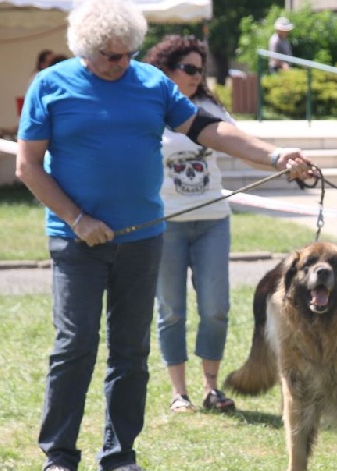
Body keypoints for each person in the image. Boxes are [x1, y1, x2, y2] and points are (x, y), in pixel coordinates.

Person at [16, 0, 312, 471]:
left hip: (142, 240)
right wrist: (78, 219)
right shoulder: (52, 85)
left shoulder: (152, 84)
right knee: (75, 346)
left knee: (131, 352)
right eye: (112, 56)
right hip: (76, 241)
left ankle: (119, 457)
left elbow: (207, 129)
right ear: (87, 51)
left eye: (129, 53)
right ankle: (58, 461)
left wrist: (275, 155)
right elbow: (29, 167)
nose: (122, 63)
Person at [144, 36, 242, 414]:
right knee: (171, 310)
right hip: (166, 223)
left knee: (215, 307)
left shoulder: (210, 108)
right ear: (166, 68)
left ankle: (211, 388)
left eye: (202, 70)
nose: (197, 76)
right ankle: (178, 393)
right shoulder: (152, 107)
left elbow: (237, 142)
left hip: (213, 221)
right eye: (189, 69)